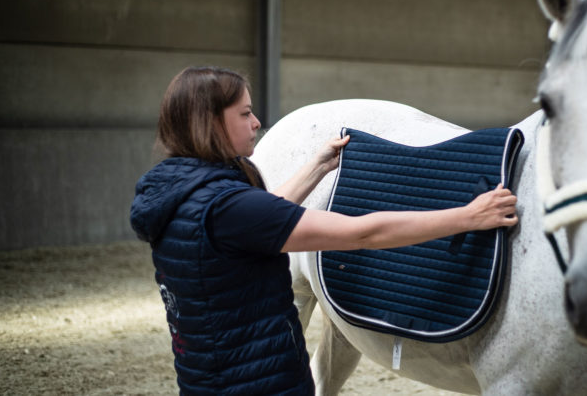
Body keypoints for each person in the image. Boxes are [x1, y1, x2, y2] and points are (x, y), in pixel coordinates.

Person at [130, 66, 518, 395]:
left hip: (207, 376)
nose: (257, 123)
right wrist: (467, 217)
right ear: (211, 123)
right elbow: (363, 234)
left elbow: (259, 218)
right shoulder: (229, 206)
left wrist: (317, 167)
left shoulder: (181, 192)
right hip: (260, 381)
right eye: (245, 114)